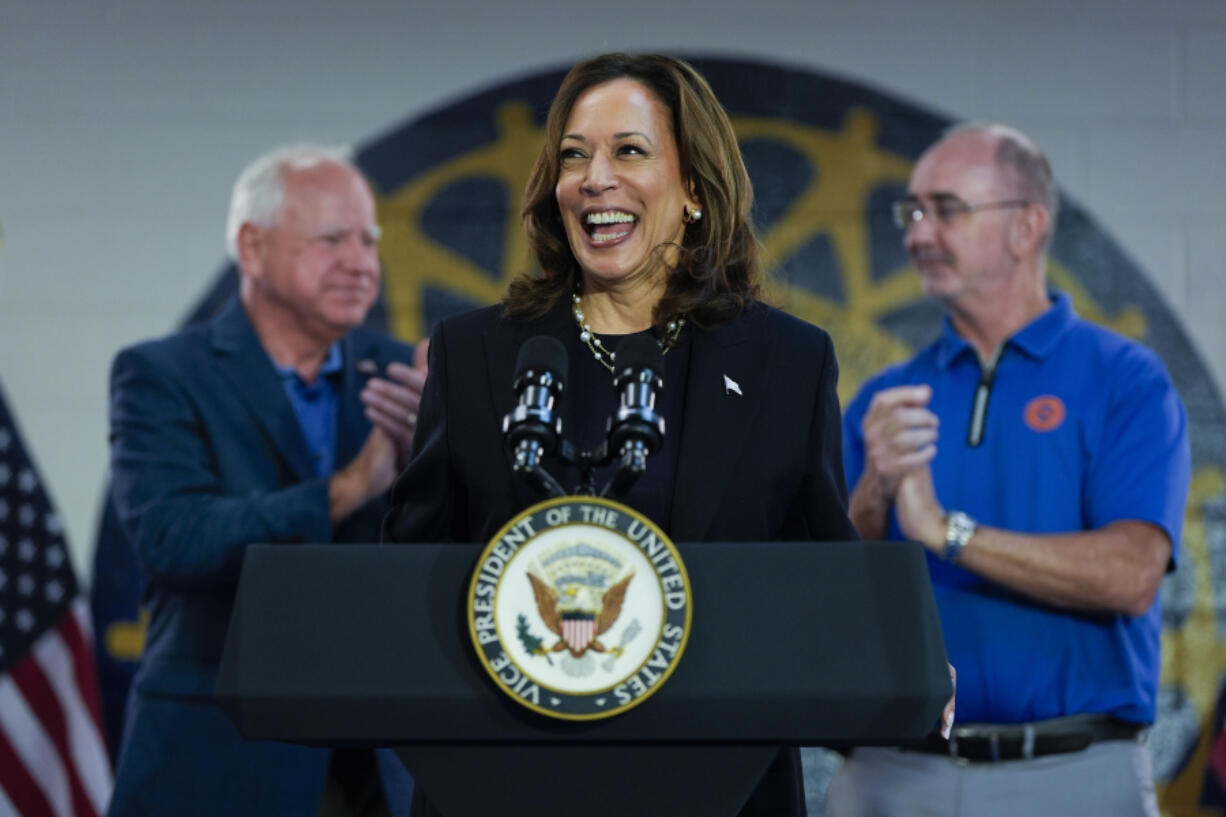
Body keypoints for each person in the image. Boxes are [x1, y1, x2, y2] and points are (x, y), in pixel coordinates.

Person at [383, 53, 857, 816]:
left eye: (629, 151)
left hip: (715, 785)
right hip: (504, 785)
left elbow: (825, 577)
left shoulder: (786, 362)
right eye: (574, 156)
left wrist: (896, 654)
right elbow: (409, 575)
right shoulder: (475, 353)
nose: (594, 178)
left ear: (695, 188)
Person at [826, 123, 1191, 816]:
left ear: (1027, 227)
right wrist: (874, 491)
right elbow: (831, 600)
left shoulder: (1124, 379)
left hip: (1074, 774)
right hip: (893, 775)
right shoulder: (884, 399)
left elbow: (1131, 573)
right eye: (911, 211)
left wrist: (946, 530)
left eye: (947, 209)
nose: (918, 234)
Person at [107, 145, 426, 816]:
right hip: (217, 757)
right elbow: (176, 540)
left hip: (379, 764)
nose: (362, 262)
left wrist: (451, 463)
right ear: (252, 247)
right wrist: (347, 488)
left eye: (369, 239)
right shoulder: (162, 375)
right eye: (332, 238)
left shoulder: (407, 378)